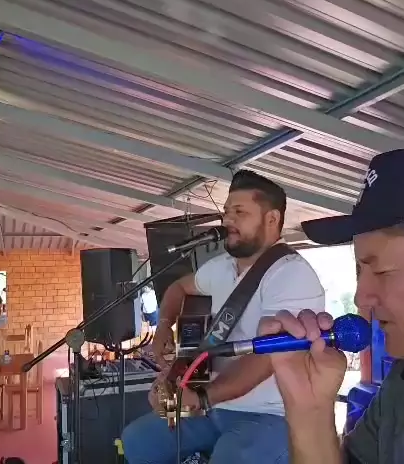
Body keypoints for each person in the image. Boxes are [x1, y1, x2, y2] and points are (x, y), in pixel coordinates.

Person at [122, 170, 325, 464]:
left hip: (271, 414)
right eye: (226, 212)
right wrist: (164, 325)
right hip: (214, 406)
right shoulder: (221, 267)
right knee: (137, 441)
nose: (227, 220)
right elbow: (178, 288)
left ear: (272, 219)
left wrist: (203, 397)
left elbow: (266, 359)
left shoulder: (291, 273)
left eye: (240, 212)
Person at [261, 145, 404, 464]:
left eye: (382, 270)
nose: (361, 297)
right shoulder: (403, 384)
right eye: (359, 271)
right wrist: (310, 412)